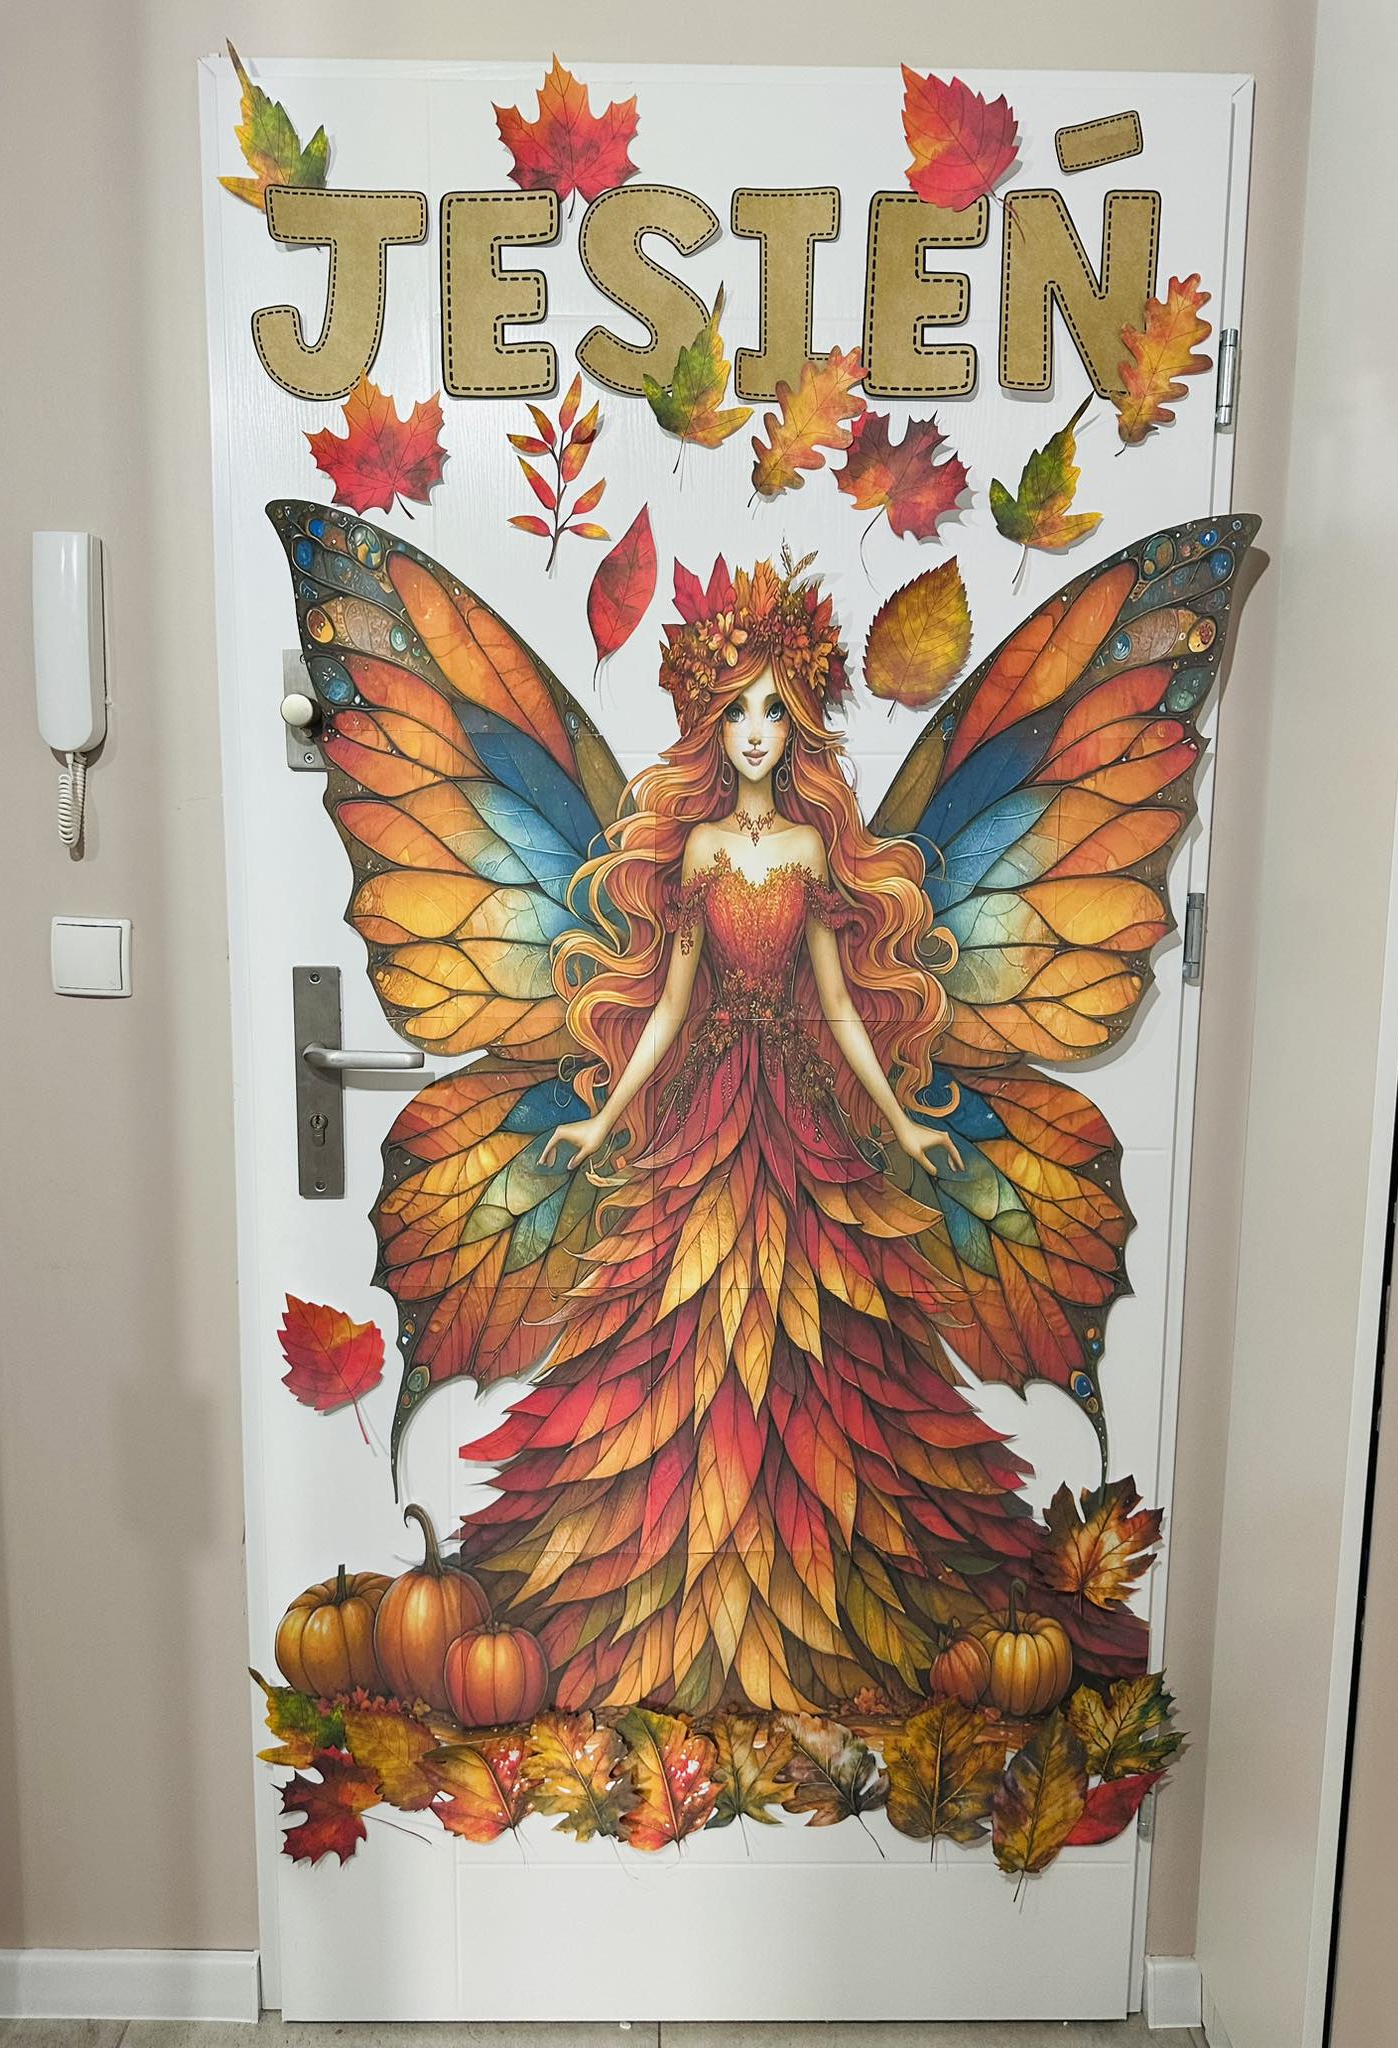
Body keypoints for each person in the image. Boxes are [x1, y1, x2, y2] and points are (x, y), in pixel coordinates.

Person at [455, 556, 1086, 1715]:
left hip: (798, 1113)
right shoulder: (698, 852)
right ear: (713, 722)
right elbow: (670, 1003)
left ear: (798, 725)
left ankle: (823, 1589)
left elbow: (839, 1003)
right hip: (706, 1107)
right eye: (739, 709)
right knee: (678, 1321)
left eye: (775, 710)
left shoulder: (809, 852)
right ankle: (675, 1592)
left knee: (821, 1327)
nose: (756, 730)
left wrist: (903, 1120)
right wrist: (603, 1114)